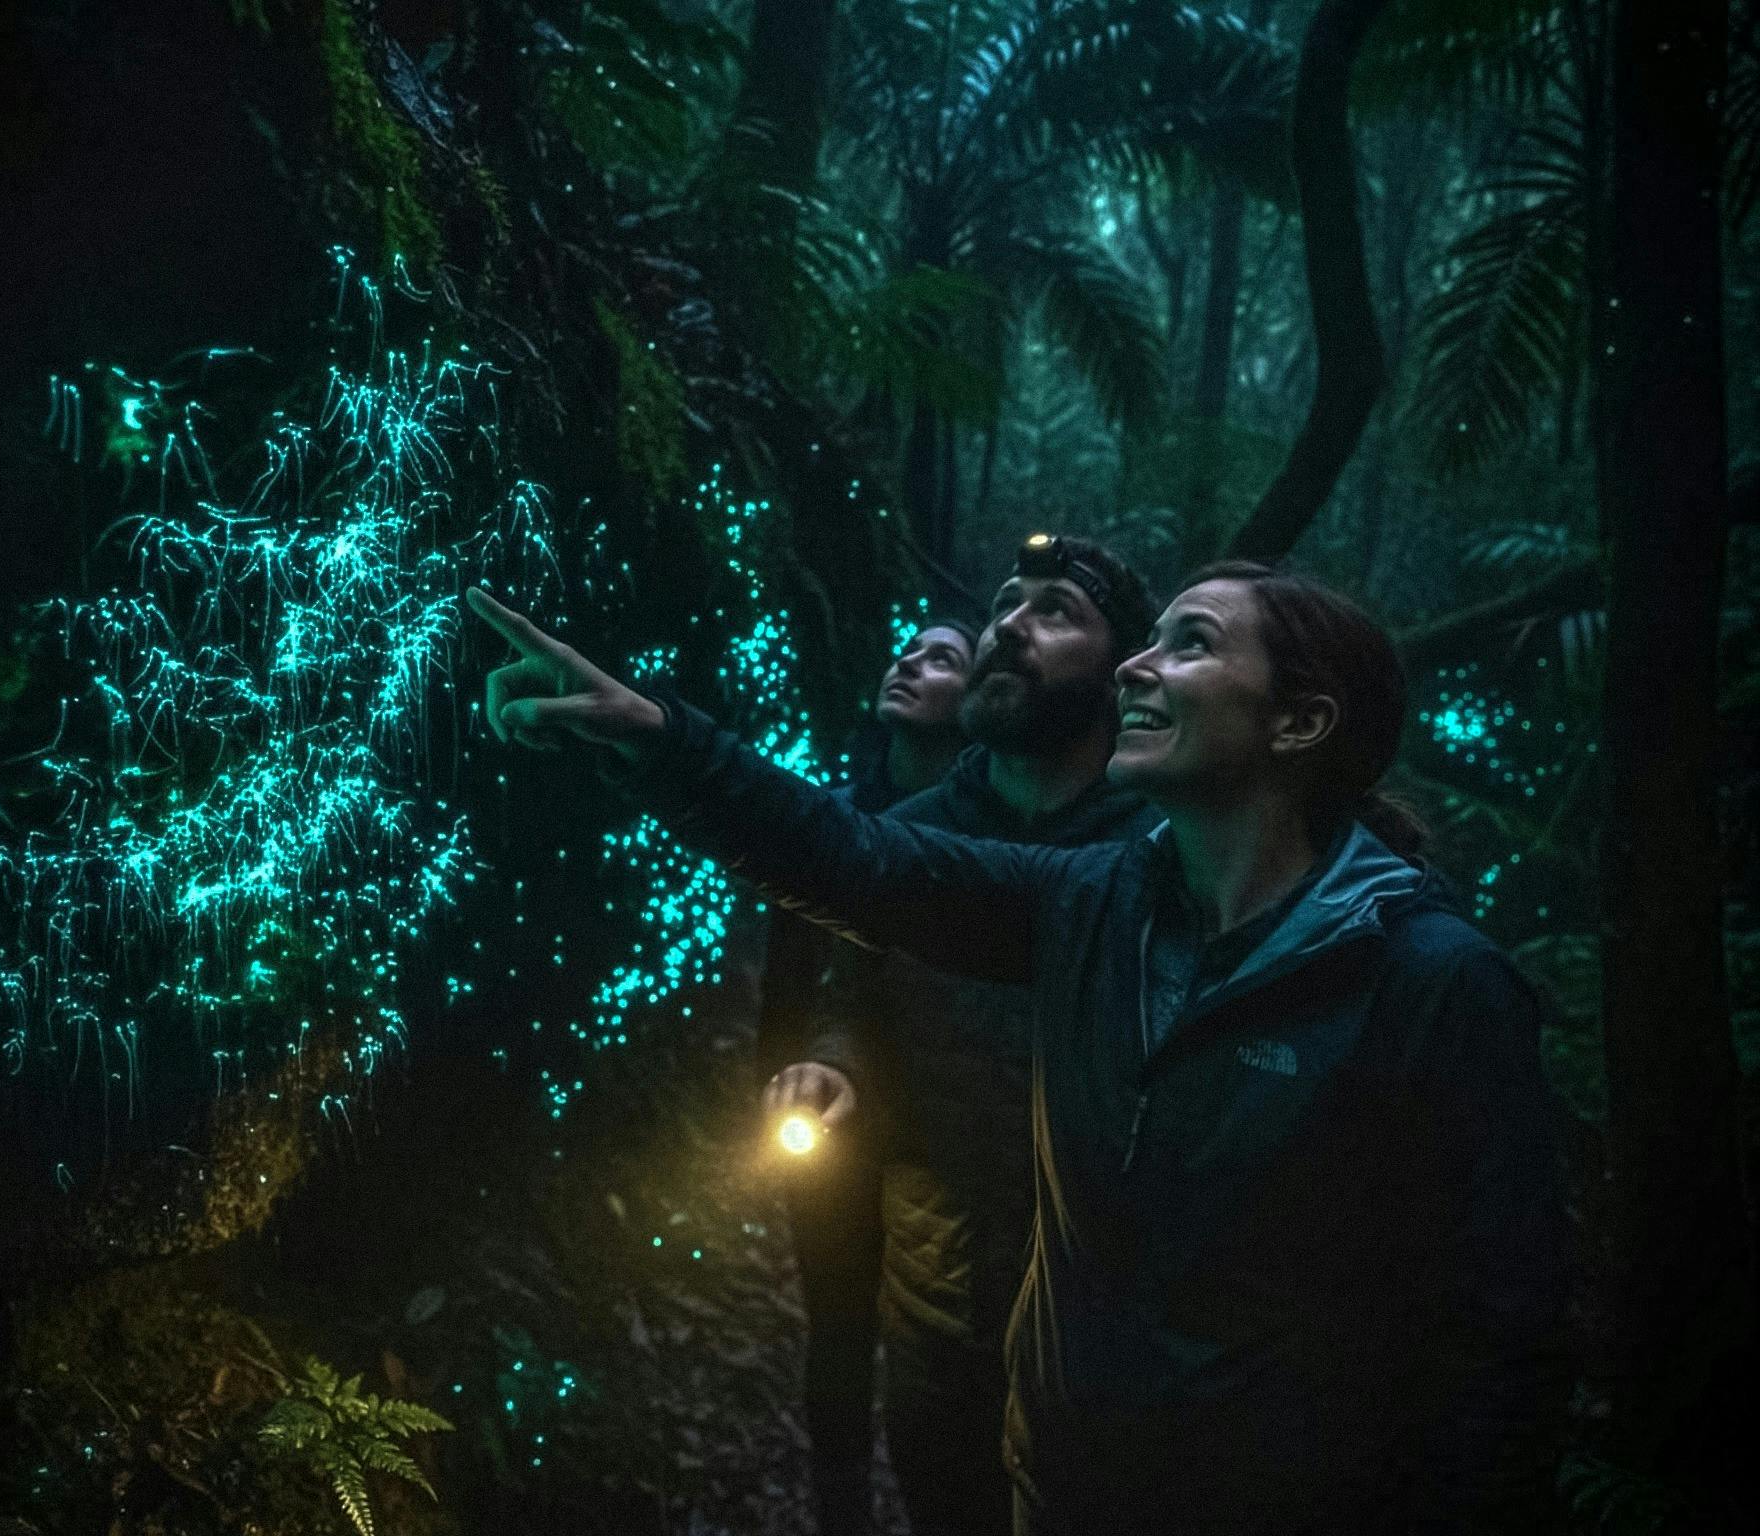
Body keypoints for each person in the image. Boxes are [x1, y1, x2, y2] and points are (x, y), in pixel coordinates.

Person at [468, 559, 1569, 1534]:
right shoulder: (1095, 904)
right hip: (1058, 1485)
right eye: (1147, 639)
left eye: (1189, 644)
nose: (1137, 668)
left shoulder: (1431, 982)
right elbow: (862, 865)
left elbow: (1497, 1346)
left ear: (1299, 723)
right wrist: (659, 738)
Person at [764, 536, 1159, 1535]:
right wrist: (833, 1064)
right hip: (934, 1302)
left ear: (1124, 671)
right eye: (1005, 604)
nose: (1010, 626)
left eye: (1056, 610)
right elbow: (855, 996)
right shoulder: (916, 826)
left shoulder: (1164, 848)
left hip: (1103, 1330)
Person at [754, 616, 975, 1534]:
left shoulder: (993, 834)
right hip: (828, 1115)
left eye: (942, 658)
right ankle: (841, 1507)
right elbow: (790, 979)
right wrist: (779, 1081)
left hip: (941, 1128)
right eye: (908, 648)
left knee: (947, 1344)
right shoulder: (833, 817)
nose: (909, 661)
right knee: (839, 1322)